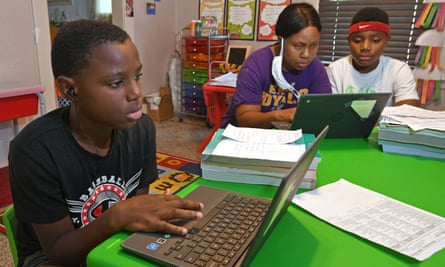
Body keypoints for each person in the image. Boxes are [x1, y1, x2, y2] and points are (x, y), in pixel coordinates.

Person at [8, 20, 203, 267]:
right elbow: (59, 252)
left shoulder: (141, 129)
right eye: (116, 83)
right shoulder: (34, 150)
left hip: (114, 239)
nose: (136, 93)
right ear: (69, 90)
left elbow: (137, 209)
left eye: (137, 76)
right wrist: (116, 217)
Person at [220, 3, 331, 129]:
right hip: (248, 137)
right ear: (281, 39)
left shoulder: (316, 69)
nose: (306, 54)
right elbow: (245, 120)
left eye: (313, 46)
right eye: (298, 46)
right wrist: (280, 116)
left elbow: (322, 115)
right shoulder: (256, 65)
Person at [326, 7, 420, 106]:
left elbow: (409, 108)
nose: (365, 47)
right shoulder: (335, 70)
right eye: (357, 40)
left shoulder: (398, 70)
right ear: (349, 40)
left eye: (375, 40)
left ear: (386, 40)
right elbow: (330, 109)